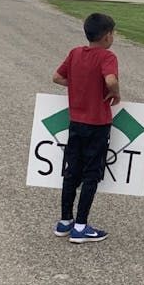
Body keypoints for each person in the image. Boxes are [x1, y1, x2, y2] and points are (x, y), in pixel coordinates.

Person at [51, 13, 120, 243]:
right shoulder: (107, 57)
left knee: (72, 171)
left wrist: (79, 84)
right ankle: (81, 225)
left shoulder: (75, 53)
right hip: (98, 124)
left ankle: (65, 220)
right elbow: (110, 80)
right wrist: (115, 92)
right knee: (92, 174)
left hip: (76, 122)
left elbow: (57, 78)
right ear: (108, 36)